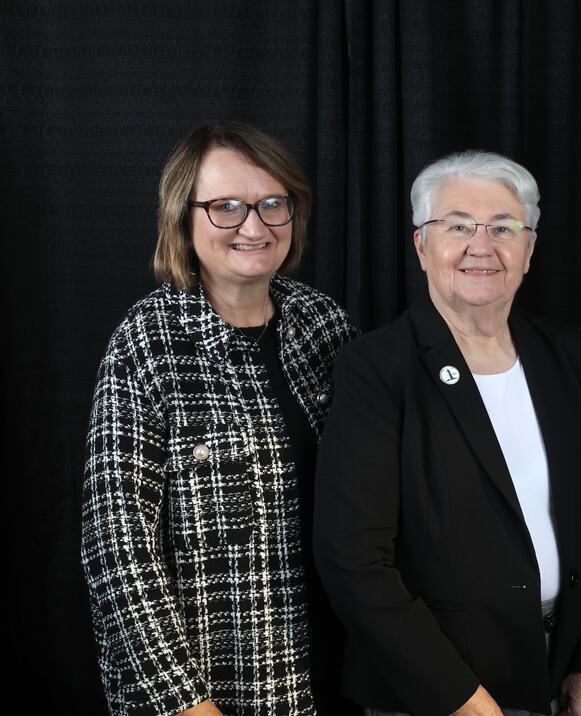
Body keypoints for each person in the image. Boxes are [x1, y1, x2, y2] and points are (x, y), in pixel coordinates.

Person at [314, 151, 581, 716]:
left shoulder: (565, 351)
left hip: (561, 677)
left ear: (529, 251)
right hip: (433, 691)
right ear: (421, 246)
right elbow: (353, 560)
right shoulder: (376, 368)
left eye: (504, 228)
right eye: (457, 225)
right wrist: (462, 700)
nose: (480, 245)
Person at [81, 120, 358, 715]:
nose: (253, 226)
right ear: (183, 218)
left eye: (271, 204)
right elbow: (117, 550)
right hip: (217, 689)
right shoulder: (148, 343)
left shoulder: (324, 327)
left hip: (340, 668)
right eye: (225, 207)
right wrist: (185, 703)